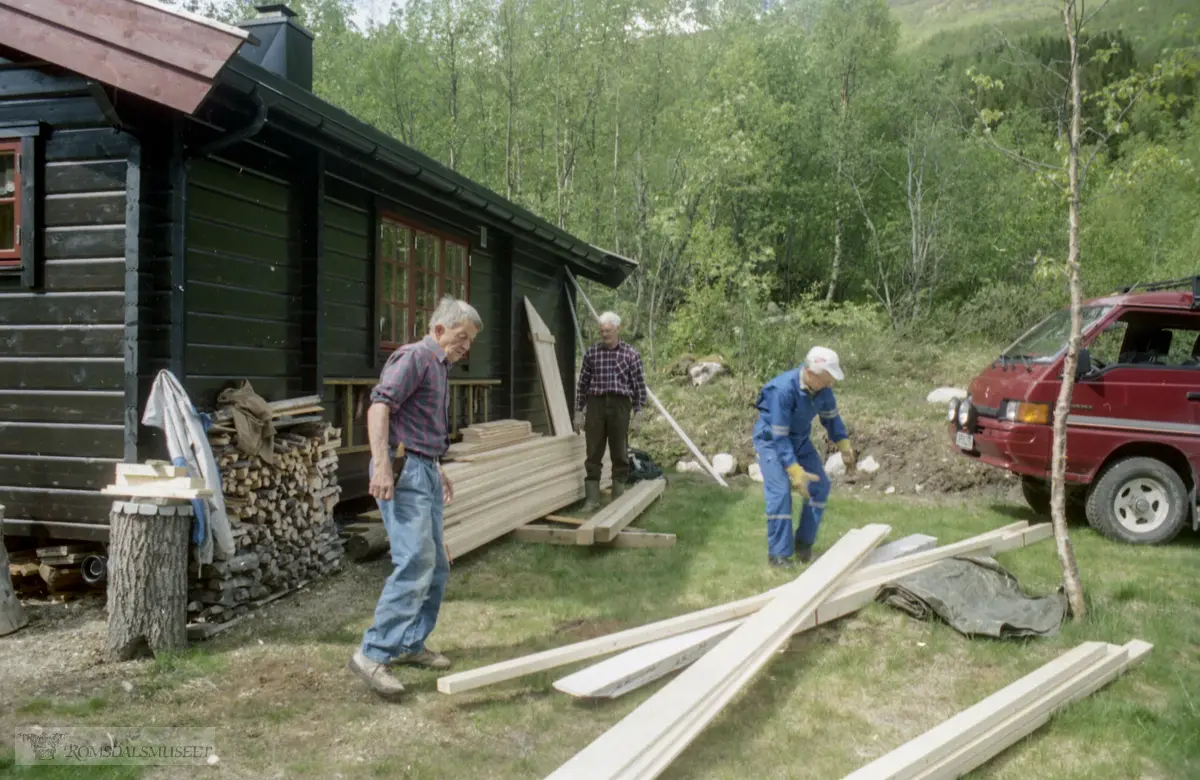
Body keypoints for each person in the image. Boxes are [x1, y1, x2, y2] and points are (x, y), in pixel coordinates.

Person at [348, 296, 481, 700]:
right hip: (402, 470)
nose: (465, 347)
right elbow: (379, 408)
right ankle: (373, 653)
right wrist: (382, 465)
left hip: (422, 468)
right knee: (416, 560)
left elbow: (416, 423)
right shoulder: (415, 357)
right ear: (439, 329)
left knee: (438, 563)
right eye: (461, 337)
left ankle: (409, 643)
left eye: (470, 342)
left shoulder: (439, 366)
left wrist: (436, 467)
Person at [752, 346, 855, 568]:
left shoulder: (823, 391)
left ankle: (803, 546)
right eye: (827, 379)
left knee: (820, 486)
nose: (830, 384)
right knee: (780, 493)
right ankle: (779, 556)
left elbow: (832, 420)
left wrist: (844, 445)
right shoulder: (782, 390)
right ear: (810, 373)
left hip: (799, 439)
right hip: (771, 440)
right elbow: (779, 438)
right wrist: (795, 471)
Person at [574, 311, 647, 511]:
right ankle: (592, 500)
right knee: (593, 450)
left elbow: (639, 385)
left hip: (620, 404)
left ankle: (618, 497)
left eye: (608, 331)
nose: (604, 335)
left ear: (617, 330)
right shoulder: (592, 353)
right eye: (602, 331)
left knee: (619, 450)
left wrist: (639, 412)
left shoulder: (631, 354)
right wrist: (579, 411)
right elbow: (582, 384)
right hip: (596, 403)